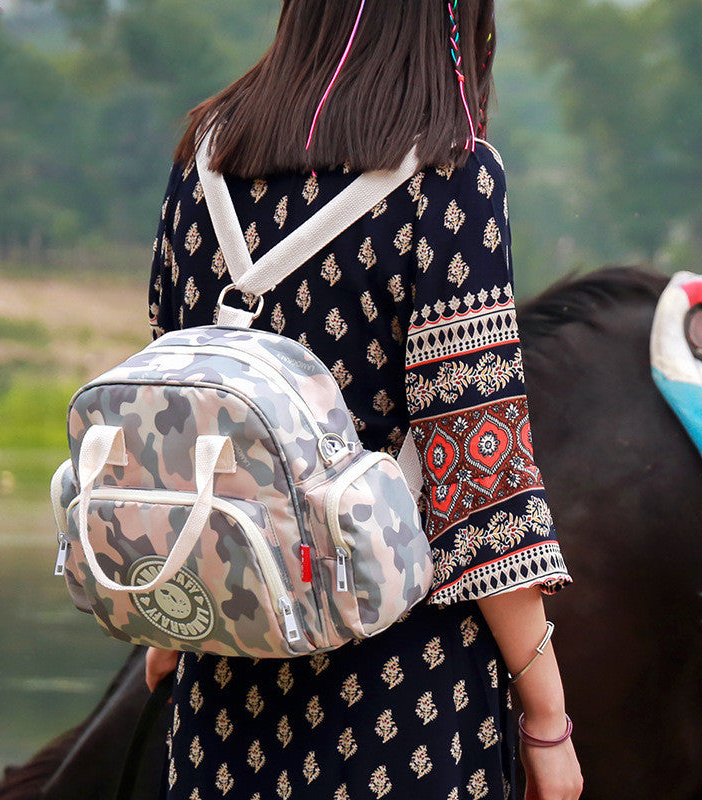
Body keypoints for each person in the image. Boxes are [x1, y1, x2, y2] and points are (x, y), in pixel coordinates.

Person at [145, 1, 583, 798]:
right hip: (399, 680)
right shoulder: (454, 180)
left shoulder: (203, 158)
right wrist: (546, 718)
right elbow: (480, 480)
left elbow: (174, 404)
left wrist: (168, 629)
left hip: (225, 668)